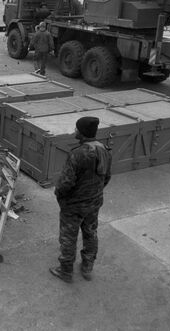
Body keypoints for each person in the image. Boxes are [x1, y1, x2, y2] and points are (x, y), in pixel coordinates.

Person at [50, 116, 112, 283]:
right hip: (95, 202)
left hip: (74, 206)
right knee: (91, 233)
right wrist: (95, 193)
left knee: (68, 237)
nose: (75, 131)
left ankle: (66, 271)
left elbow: (65, 183)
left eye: (77, 129)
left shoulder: (77, 154)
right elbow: (107, 177)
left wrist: (60, 196)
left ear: (82, 133)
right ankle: (87, 267)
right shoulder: (104, 150)